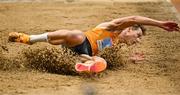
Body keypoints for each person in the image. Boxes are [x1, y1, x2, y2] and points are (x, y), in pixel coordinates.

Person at [8, 16, 180, 73]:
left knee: (100, 62)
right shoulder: (112, 27)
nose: (138, 40)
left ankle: (85, 65)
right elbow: (134, 18)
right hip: (78, 42)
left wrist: (130, 60)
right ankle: (29, 39)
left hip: (80, 55)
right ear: (129, 29)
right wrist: (160, 24)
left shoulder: (118, 46)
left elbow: (113, 60)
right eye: (138, 35)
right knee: (76, 34)